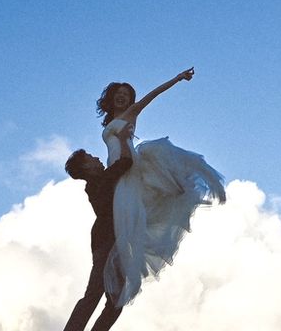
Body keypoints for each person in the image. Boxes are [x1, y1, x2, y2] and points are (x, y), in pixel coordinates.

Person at [97, 66, 226, 310]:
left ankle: (122, 281)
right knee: (123, 219)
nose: (122, 97)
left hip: (127, 170)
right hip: (116, 172)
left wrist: (177, 79)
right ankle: (118, 277)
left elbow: (152, 95)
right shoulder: (111, 122)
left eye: (126, 94)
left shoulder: (131, 114)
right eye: (118, 94)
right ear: (111, 98)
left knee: (128, 220)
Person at [46, 121, 135, 331]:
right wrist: (124, 139)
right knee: (95, 298)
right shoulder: (100, 182)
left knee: (113, 302)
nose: (97, 158)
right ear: (86, 167)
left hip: (112, 244)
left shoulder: (98, 183)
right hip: (107, 246)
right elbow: (125, 163)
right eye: (91, 158)